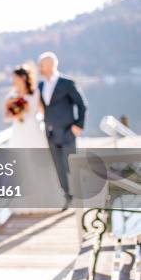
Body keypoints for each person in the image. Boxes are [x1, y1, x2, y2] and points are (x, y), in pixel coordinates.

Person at [38, 51, 87, 207]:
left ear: (51, 65)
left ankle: (80, 196)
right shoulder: (40, 85)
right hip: (50, 134)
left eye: (42, 65)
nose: (39, 68)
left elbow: (82, 105)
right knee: (59, 167)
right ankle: (67, 197)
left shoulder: (67, 83)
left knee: (72, 165)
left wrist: (78, 126)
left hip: (67, 132)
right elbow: (43, 108)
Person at [5, 64, 48, 148]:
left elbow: (43, 111)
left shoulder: (35, 93)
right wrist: (16, 111)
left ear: (23, 78)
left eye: (15, 77)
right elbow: (6, 118)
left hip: (34, 128)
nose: (13, 80)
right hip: (18, 130)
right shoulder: (11, 96)